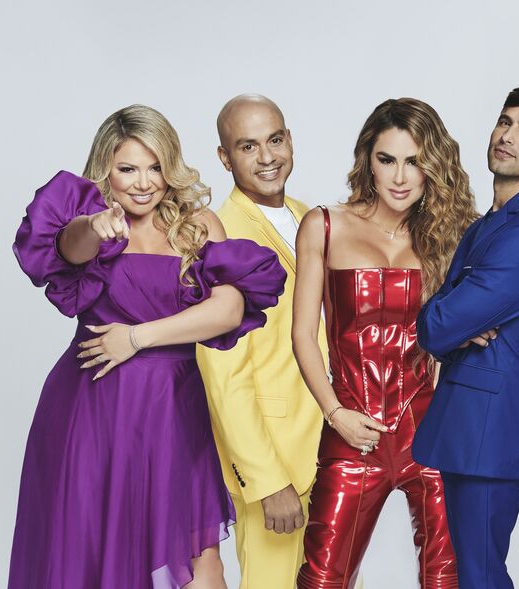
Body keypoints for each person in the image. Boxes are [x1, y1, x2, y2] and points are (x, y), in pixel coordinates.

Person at [9, 104, 286, 589]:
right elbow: (69, 246)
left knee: (203, 567)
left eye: (155, 167)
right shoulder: (87, 224)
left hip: (175, 410)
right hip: (93, 409)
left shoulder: (197, 225)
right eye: (127, 169)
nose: (143, 183)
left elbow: (226, 311)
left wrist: (136, 338)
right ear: (106, 170)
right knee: (89, 554)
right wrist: (93, 226)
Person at [292, 98, 477, 589]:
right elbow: (303, 335)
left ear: (432, 166)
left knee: (446, 577)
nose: (399, 176)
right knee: (323, 578)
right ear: (367, 161)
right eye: (387, 159)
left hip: (430, 430)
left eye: (414, 161)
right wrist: (335, 413)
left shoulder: (449, 236)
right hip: (352, 427)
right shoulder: (325, 225)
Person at [411, 84, 519, 589]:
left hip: (490, 429)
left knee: (481, 574)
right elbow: (444, 317)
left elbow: (436, 326)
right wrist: (448, 315)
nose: (507, 136)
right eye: (505, 122)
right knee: (476, 571)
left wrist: (443, 317)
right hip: (471, 423)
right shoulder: (491, 223)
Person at [195, 94, 324, 589]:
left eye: (275, 140)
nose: (267, 157)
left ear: (290, 140)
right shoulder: (217, 235)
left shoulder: (310, 217)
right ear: (225, 157)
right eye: (248, 146)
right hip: (277, 458)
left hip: (332, 448)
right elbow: (221, 373)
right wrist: (266, 480)